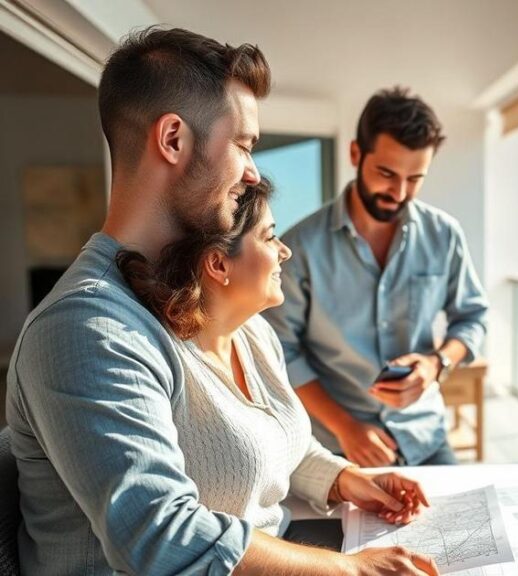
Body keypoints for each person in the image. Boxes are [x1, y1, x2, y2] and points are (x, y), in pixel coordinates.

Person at [5, 28, 437, 575]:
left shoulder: (207, 304)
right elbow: (160, 538)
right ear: (173, 140)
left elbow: (267, 444)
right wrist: (354, 569)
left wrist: (342, 478)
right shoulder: (87, 328)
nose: (253, 172)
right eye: (244, 145)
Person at [263, 87, 488, 467]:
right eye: (386, 173)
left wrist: (437, 364)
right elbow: (279, 352)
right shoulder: (299, 248)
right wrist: (346, 427)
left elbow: (473, 317)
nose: (398, 192)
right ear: (356, 154)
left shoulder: (444, 235)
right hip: (336, 448)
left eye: (414, 178)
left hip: (424, 438)